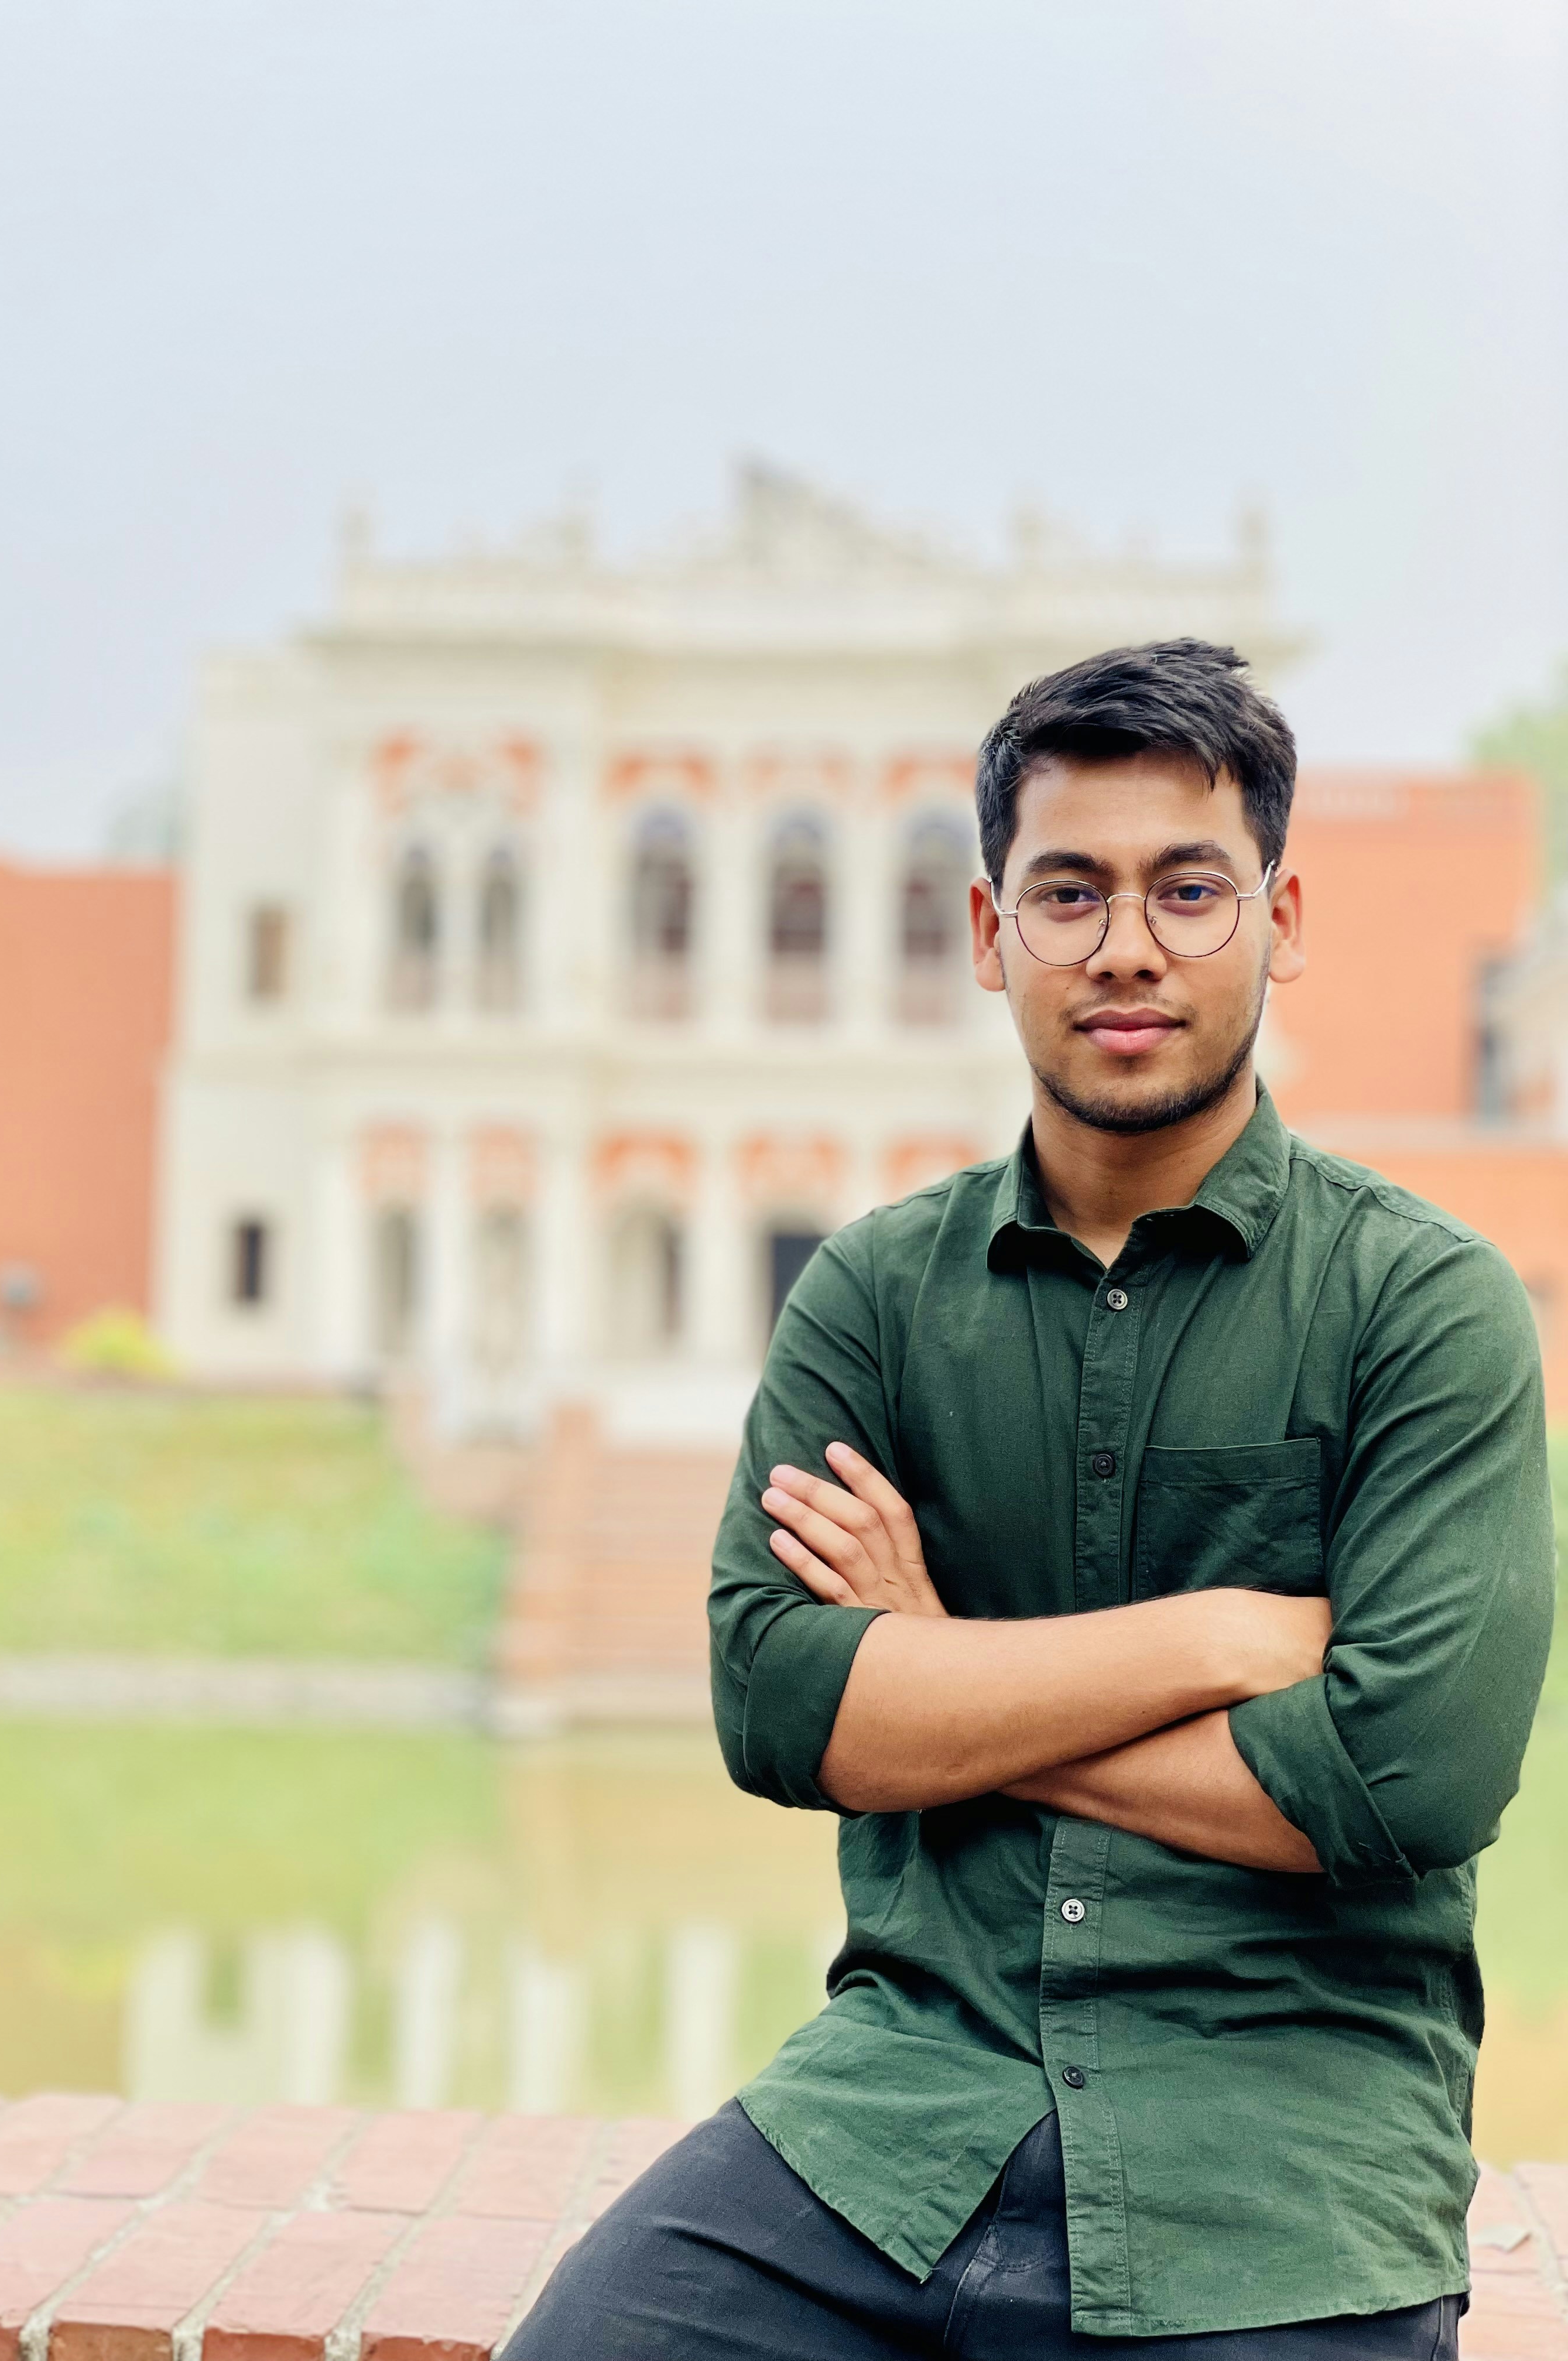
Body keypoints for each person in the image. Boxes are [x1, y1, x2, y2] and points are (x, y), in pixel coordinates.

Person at [503, 639, 1553, 2359]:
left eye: (1187, 890)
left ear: (1279, 921)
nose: (1126, 944)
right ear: (992, 939)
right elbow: (776, 1699)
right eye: (1068, 890)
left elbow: (1408, 1774)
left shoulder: (1421, 1306)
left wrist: (942, 1670)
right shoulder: (876, 1295)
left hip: (1277, 2159)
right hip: (896, 2117)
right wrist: (1214, 1641)